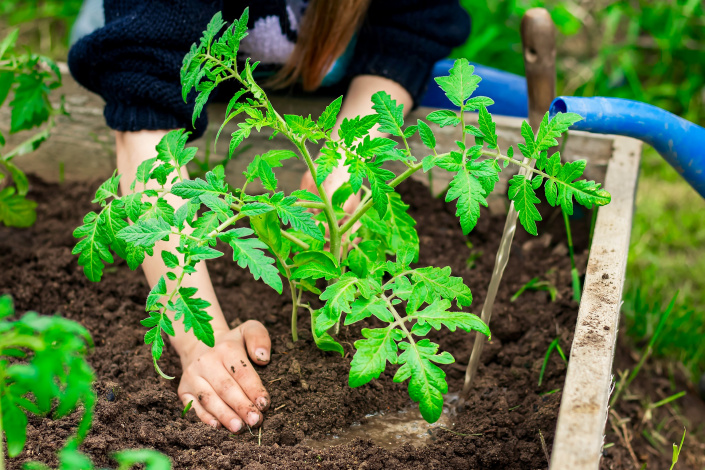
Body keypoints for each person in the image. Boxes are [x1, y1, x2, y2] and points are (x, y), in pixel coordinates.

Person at [68, 0, 470, 434]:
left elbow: (406, 31)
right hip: (157, 54)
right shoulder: (151, 48)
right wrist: (200, 340)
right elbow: (145, 114)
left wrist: (344, 164)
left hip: (329, 73)